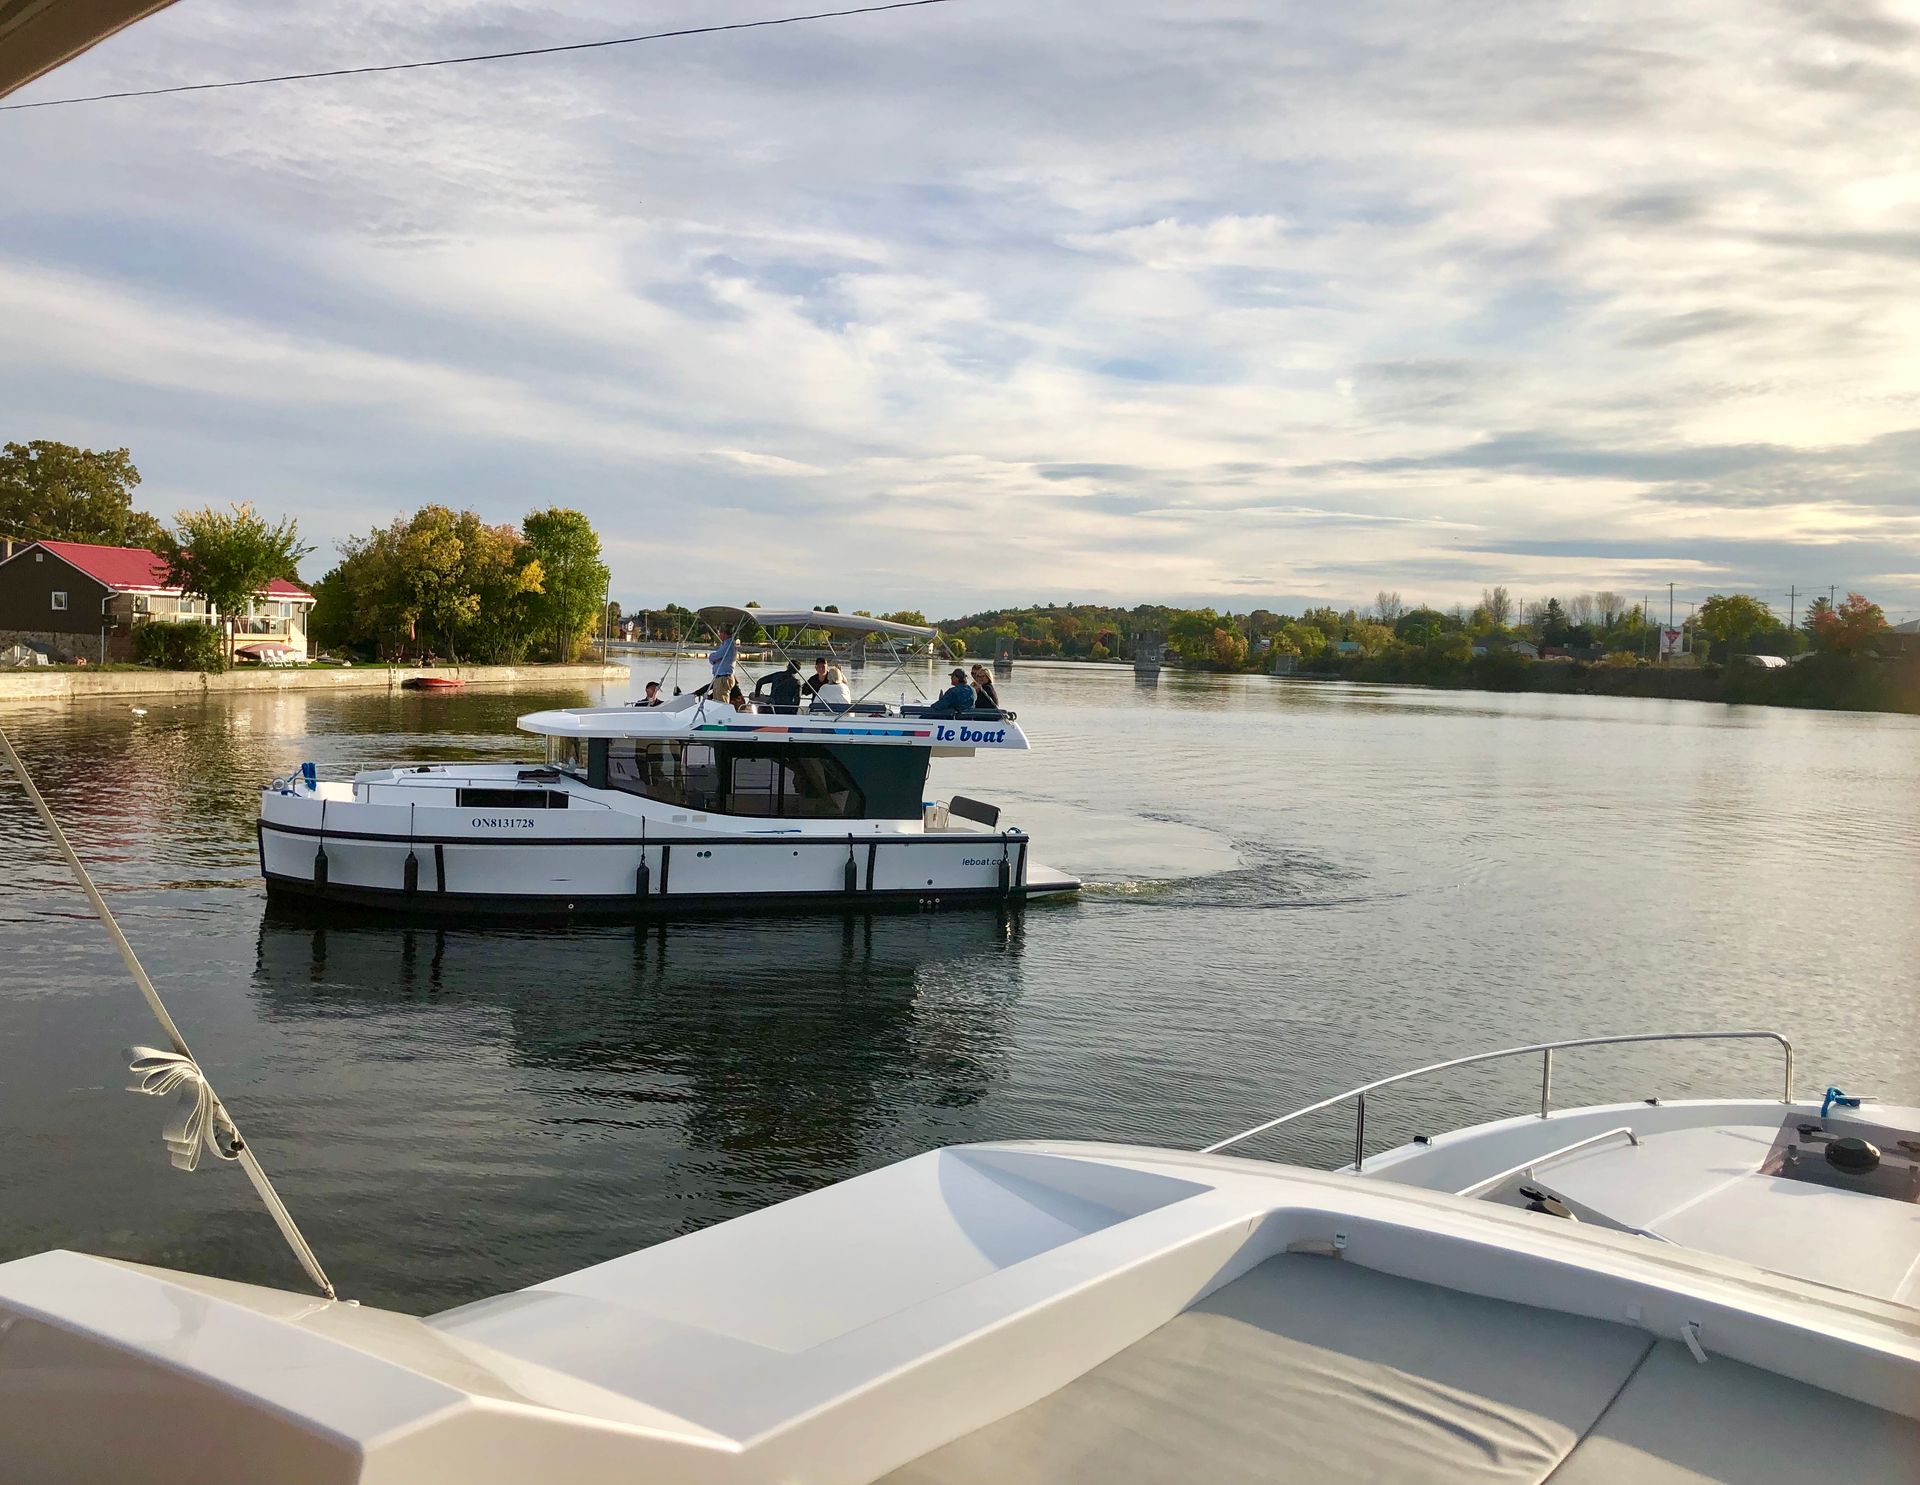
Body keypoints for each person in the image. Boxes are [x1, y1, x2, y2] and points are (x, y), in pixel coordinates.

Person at [706, 626, 737, 705]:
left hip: (723, 678)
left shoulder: (728, 645)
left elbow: (713, 657)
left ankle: (724, 717)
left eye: (720, 633)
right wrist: (716, 659)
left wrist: (715, 658)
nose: (719, 635)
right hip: (720, 678)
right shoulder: (725, 645)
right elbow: (714, 658)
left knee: (721, 704)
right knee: (716, 703)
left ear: (724, 633)